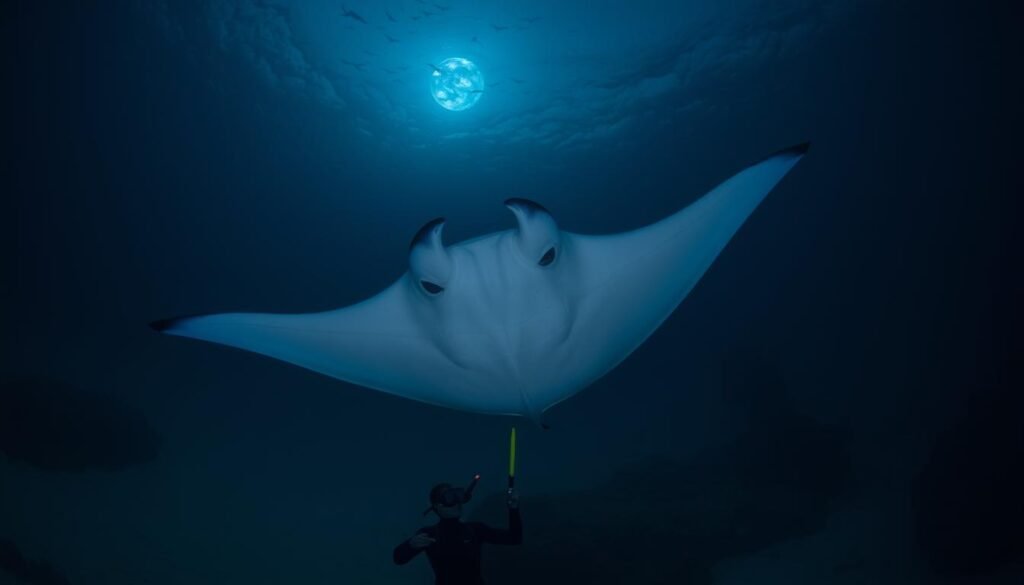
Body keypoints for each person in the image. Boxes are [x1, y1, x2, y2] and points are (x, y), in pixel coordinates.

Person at [393, 481, 522, 585]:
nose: (457, 502)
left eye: (458, 495)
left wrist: (514, 509)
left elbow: (514, 538)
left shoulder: (475, 529)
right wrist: (410, 545)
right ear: (437, 506)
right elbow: (398, 558)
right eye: (449, 497)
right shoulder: (429, 535)